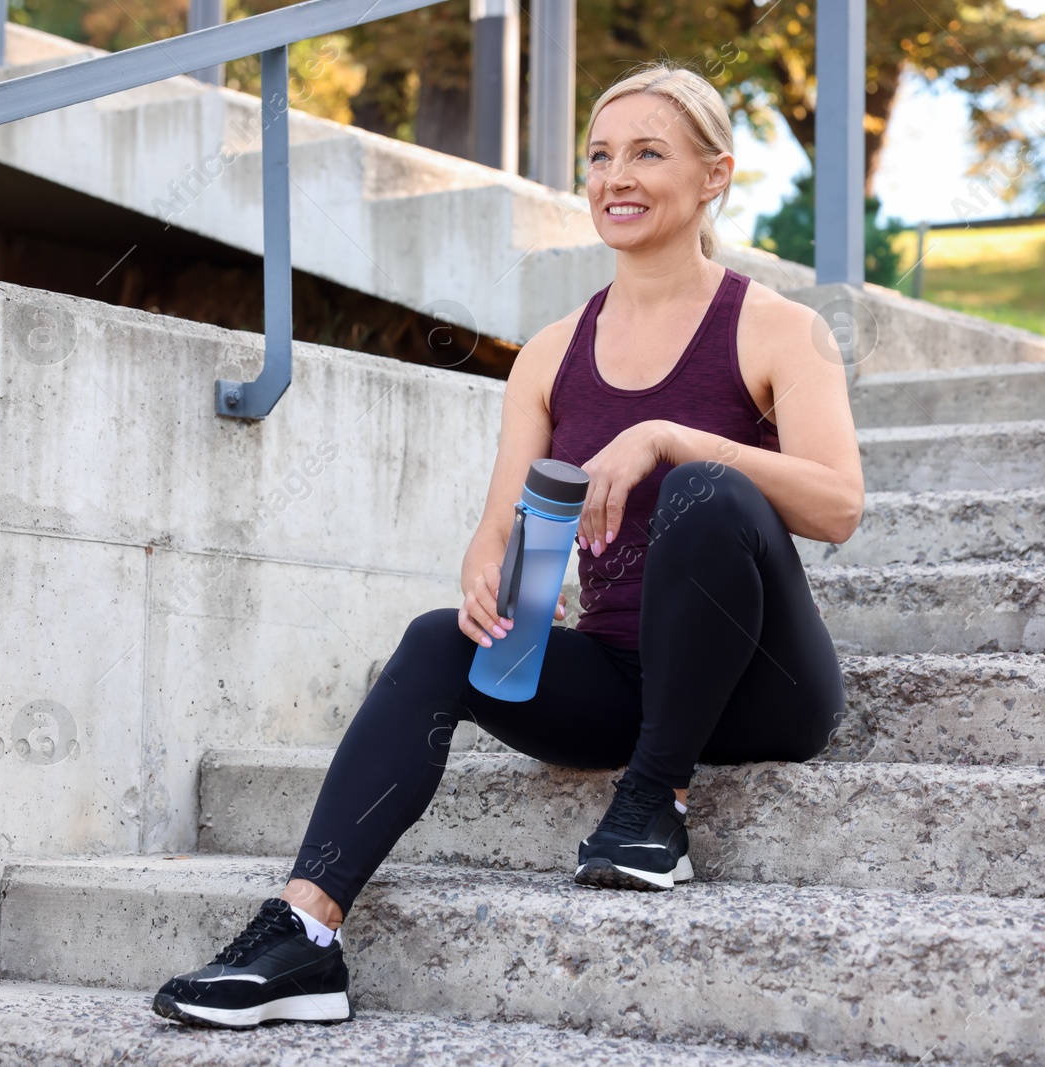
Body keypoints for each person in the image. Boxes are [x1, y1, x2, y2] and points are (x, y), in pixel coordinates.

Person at [150, 60, 862, 1030]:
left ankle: (654, 805)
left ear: (713, 175)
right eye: (599, 155)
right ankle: (302, 933)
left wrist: (671, 436)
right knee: (438, 636)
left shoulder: (780, 329)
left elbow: (838, 504)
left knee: (703, 484)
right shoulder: (551, 351)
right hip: (622, 678)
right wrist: (492, 585)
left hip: (762, 689)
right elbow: (501, 534)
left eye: (648, 152)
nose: (615, 176)